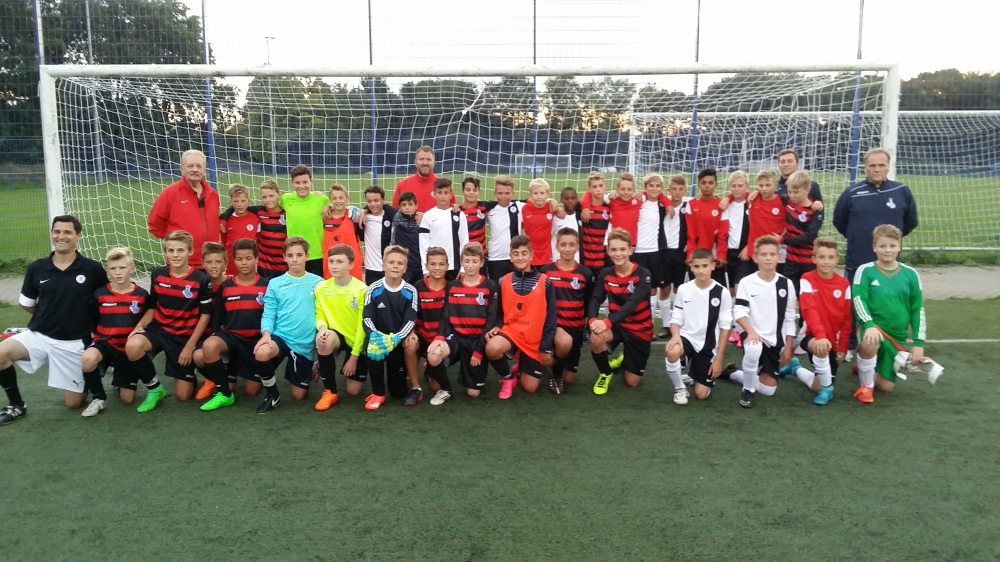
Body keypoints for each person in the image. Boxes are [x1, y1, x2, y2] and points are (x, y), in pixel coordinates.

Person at [0, 216, 108, 425]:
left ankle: (89, 373)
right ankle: (16, 405)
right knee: (1, 353)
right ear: (51, 234)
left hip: (74, 342)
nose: (61, 236)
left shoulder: (92, 269)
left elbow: (104, 303)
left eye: (67, 232)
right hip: (39, 335)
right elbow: (27, 303)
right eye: (57, 231)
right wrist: (50, 316)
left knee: (74, 403)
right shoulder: (37, 267)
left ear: (78, 235)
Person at [125, 230, 213, 410]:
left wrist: (189, 346)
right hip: (159, 330)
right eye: (171, 250)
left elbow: (205, 315)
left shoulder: (201, 279)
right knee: (132, 345)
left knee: (183, 396)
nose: (175, 255)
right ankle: (155, 389)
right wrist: (139, 326)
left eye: (180, 250)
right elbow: (152, 306)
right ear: (165, 252)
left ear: (190, 252)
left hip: (183, 336)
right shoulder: (158, 274)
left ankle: (194, 377)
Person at [851, 224, 927, 404]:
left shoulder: (911, 274)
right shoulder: (865, 270)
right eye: (882, 246)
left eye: (892, 246)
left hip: (897, 335)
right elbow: (858, 299)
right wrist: (869, 325)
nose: (887, 250)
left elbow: (917, 310)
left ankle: (863, 366)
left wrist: (918, 343)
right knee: (871, 341)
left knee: (886, 388)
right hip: (873, 327)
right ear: (874, 247)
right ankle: (866, 387)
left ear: (900, 246)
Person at [833, 148, 919, 299]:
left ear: (888, 167)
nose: (877, 169)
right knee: (857, 303)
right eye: (872, 165)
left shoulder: (902, 191)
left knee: (889, 302)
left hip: (889, 262)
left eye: (881, 165)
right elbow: (839, 221)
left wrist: (890, 239)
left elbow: (911, 221)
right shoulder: (852, 193)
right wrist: (857, 238)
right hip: (858, 261)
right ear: (865, 167)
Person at [425, 243, 504, 405]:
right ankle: (446, 390)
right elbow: (446, 314)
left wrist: (479, 351)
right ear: (461, 261)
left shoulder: (490, 286)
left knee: (473, 393)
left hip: (477, 341)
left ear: (481, 262)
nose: (470, 265)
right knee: (433, 354)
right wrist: (439, 337)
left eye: (474, 261)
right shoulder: (453, 286)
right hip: (456, 338)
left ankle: (453, 366)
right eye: (467, 261)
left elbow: (490, 320)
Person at [252, 236, 324, 414]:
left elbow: (324, 312)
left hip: (304, 344)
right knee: (262, 352)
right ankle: (273, 395)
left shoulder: (318, 283)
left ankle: (311, 365)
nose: (295, 259)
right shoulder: (275, 283)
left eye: (299, 255)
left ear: (307, 256)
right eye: (290, 255)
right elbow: (269, 313)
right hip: (281, 337)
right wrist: (266, 334)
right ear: (284, 257)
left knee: (299, 395)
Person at [197, 239, 270, 411]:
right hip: (230, 338)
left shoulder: (267, 285)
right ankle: (225, 394)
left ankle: (249, 371)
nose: (244, 263)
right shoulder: (226, 286)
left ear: (256, 259)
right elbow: (218, 317)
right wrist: (216, 338)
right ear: (234, 261)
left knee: (251, 391)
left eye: (248, 258)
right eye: (239, 259)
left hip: (253, 342)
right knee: (209, 346)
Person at [726, 235, 797, 409]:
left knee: (768, 389)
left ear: (778, 257)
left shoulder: (786, 284)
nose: (768, 258)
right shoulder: (747, 282)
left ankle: (733, 373)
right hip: (752, 332)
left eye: (772, 254)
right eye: (763, 254)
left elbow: (789, 316)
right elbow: (739, 312)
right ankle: (748, 390)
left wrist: (789, 346)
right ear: (755, 257)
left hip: (774, 339)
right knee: (753, 347)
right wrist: (750, 331)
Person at [484, 235, 557, 399]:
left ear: (531, 255)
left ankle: (524, 363)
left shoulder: (545, 282)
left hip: (534, 339)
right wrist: (496, 325)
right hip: (512, 333)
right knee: (492, 348)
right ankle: (508, 377)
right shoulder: (503, 281)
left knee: (529, 388)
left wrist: (545, 348)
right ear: (510, 257)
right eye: (516, 254)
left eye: (524, 253)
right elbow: (499, 311)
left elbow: (551, 318)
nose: (520, 257)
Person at [80, 246, 149, 417]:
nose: (118, 272)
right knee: (87, 358)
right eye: (113, 268)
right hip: (105, 342)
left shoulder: (142, 295)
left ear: (132, 269)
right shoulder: (99, 295)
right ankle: (98, 397)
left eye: (122, 268)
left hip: (127, 349)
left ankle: (119, 375)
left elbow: (145, 323)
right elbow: (94, 320)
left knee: (128, 399)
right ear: (107, 271)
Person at [784, 237, 852, 406]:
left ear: (837, 259)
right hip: (811, 335)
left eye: (830, 257)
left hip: (833, 341)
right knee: (820, 348)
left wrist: (843, 347)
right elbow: (809, 310)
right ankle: (827, 390)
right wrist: (820, 336)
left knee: (817, 385)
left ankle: (795, 368)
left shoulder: (844, 284)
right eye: (821, 257)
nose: (826, 261)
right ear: (814, 259)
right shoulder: (807, 279)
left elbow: (847, 319)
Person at [588, 228, 654, 395]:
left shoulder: (643, 274)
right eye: (614, 249)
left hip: (640, 330)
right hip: (617, 326)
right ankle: (605, 373)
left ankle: (626, 359)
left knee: (632, 382)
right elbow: (595, 298)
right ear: (608, 251)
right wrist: (592, 320)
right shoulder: (605, 274)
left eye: (623, 249)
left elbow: (631, 305)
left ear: (630, 250)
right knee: (596, 337)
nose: (618, 254)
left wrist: (606, 322)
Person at [665, 248, 733, 405]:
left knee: (701, 394)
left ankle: (695, 375)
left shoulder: (722, 292)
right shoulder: (684, 289)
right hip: (687, 338)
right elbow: (676, 318)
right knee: (672, 350)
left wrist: (718, 359)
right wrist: (675, 336)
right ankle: (679, 388)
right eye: (696, 266)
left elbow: (725, 327)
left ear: (713, 266)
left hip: (708, 345)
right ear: (691, 266)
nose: (701, 270)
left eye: (705, 266)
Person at [361, 245, 419, 410]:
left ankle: (400, 377)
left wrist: (396, 338)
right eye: (391, 262)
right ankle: (378, 393)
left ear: (405, 268)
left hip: (396, 342)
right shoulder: (373, 288)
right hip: (378, 339)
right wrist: (374, 335)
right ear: (383, 266)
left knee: (398, 392)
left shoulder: (410, 291)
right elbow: (367, 317)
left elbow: (410, 320)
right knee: (373, 348)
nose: (395, 266)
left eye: (400, 263)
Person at [313, 244, 369, 411]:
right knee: (324, 340)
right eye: (331, 261)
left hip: (357, 340)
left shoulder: (362, 290)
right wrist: (322, 328)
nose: (334, 265)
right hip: (336, 335)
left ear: (351, 264)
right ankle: (330, 391)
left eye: (339, 261)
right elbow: (319, 314)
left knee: (353, 391)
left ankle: (330, 363)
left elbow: (362, 327)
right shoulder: (321, 288)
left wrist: (354, 357)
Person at [148, 149, 221, 269]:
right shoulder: (170, 193)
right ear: (182, 168)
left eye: (199, 166)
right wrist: (174, 243)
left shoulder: (213, 194)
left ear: (204, 169)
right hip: (182, 263)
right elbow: (154, 223)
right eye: (190, 166)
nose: (195, 169)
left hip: (210, 261)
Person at [540, 228, 592, 395]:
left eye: (571, 245)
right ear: (556, 246)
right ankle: (556, 377)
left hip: (575, 328)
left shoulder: (585, 274)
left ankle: (556, 361)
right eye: (563, 245)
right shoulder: (545, 272)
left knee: (570, 379)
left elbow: (588, 302)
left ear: (577, 247)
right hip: (553, 327)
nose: (567, 249)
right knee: (563, 342)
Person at [405, 247, 449, 397]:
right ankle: (416, 388)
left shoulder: (451, 287)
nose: (437, 268)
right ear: (426, 265)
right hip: (423, 335)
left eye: (441, 264)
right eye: (433, 264)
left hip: (442, 338)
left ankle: (429, 365)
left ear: (447, 266)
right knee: (410, 343)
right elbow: (411, 313)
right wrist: (411, 331)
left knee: (436, 388)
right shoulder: (418, 286)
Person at [632, 173, 674, 328]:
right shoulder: (638, 201)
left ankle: (666, 324)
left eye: (657, 186)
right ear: (645, 187)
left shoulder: (662, 204)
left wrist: (667, 203)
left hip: (656, 251)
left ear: (662, 188)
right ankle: (647, 323)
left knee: (661, 286)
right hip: (638, 251)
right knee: (647, 289)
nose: (654, 189)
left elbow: (665, 199)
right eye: (651, 186)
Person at [220, 179, 286, 278]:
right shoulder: (259, 212)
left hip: (284, 265)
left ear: (279, 195)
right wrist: (223, 218)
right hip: (264, 266)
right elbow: (235, 208)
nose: (268, 200)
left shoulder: (287, 212)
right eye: (264, 197)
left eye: (271, 196)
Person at [194, 241, 230, 399]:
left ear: (225, 263)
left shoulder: (232, 283)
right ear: (202, 263)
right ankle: (212, 379)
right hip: (205, 336)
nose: (214, 266)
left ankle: (228, 372)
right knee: (198, 356)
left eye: (218, 261)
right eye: (209, 262)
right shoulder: (199, 284)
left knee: (251, 390)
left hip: (228, 336)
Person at [281, 164, 331, 277]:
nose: (301, 186)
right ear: (292, 183)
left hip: (316, 254)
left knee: (316, 286)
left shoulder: (321, 199)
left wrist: (328, 204)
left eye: (305, 182)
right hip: (294, 255)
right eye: (297, 183)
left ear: (311, 181)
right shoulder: (286, 199)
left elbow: (339, 206)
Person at [657, 175, 691, 339]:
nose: (677, 192)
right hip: (663, 252)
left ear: (685, 190)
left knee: (679, 289)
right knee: (664, 289)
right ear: (668, 190)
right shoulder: (661, 205)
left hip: (680, 253)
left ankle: (678, 323)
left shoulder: (688, 205)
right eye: (674, 189)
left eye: (680, 189)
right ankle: (665, 324)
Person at [781, 170, 824, 293]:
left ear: (807, 189)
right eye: (789, 191)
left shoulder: (815, 210)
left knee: (807, 296)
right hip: (791, 260)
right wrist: (756, 191)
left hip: (808, 262)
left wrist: (783, 240)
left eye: (796, 192)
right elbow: (769, 194)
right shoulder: (787, 201)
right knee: (788, 294)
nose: (792, 195)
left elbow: (809, 237)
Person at [419, 178, 469, 280]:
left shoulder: (459, 215)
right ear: (434, 194)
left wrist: (463, 268)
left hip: (454, 267)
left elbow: (464, 242)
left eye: (446, 193)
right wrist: (425, 270)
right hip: (434, 267)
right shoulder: (427, 216)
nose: (443, 196)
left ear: (451, 195)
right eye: (439, 193)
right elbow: (423, 245)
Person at [684, 168, 728, 286]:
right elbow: (690, 233)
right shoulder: (691, 204)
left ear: (716, 184)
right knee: (696, 289)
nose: (707, 186)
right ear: (698, 185)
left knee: (716, 289)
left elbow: (722, 234)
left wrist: (721, 254)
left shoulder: (721, 205)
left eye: (710, 183)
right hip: (697, 256)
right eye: (703, 183)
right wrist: (690, 254)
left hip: (714, 257)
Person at [391, 145, 453, 212]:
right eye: (421, 159)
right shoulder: (402, 185)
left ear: (434, 163)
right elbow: (395, 213)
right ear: (415, 162)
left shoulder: (444, 186)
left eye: (429, 159)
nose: (425, 163)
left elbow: (453, 211)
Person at [321, 183, 363, 281]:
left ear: (347, 198)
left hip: (350, 263)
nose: (338, 201)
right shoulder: (324, 216)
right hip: (331, 262)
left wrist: (364, 212)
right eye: (334, 198)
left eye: (341, 197)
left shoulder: (354, 215)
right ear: (330, 200)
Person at [484, 175, 523, 280]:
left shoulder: (519, 206)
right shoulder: (489, 209)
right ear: (495, 193)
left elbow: (539, 201)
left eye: (507, 193)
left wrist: (552, 201)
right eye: (500, 193)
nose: (504, 196)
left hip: (516, 257)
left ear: (513, 193)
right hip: (495, 258)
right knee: (497, 288)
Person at [358, 185, 398, 286]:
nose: (373, 204)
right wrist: (364, 211)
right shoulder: (363, 218)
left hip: (388, 268)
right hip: (371, 269)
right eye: (369, 201)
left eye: (376, 200)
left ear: (383, 200)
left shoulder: (391, 216)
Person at [720, 171, 751, 299]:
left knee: (740, 289)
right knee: (729, 291)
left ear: (747, 186)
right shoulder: (725, 205)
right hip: (728, 252)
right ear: (729, 187)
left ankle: (740, 311)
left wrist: (749, 246)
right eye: (734, 186)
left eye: (740, 185)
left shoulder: (752, 204)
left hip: (744, 252)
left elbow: (757, 229)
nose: (737, 189)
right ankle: (731, 312)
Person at [520, 178, 564, 267]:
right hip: (530, 253)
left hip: (546, 254)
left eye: (542, 193)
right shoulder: (524, 209)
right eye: (535, 193)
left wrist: (552, 201)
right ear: (530, 194)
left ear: (547, 194)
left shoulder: (551, 208)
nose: (539, 196)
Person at [219, 183, 260, 276]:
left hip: (251, 265)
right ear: (231, 202)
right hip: (231, 265)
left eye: (243, 201)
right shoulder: (226, 221)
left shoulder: (255, 218)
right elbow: (224, 243)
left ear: (249, 201)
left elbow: (259, 241)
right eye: (236, 201)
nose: (239, 204)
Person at [390, 191, 427, 284]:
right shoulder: (397, 218)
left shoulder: (423, 220)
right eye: (404, 205)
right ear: (399, 207)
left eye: (410, 204)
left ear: (416, 206)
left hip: (420, 266)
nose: (407, 207)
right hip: (404, 267)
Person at [579, 171, 613, 272]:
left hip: (603, 258)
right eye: (594, 187)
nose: (598, 189)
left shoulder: (610, 207)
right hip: (585, 258)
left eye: (601, 186)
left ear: (605, 186)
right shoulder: (581, 208)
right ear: (589, 189)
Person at [550, 187, 579, 263]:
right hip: (557, 259)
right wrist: (550, 200)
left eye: (573, 198)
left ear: (577, 199)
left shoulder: (579, 217)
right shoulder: (555, 218)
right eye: (566, 198)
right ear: (561, 199)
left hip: (575, 260)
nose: (570, 201)